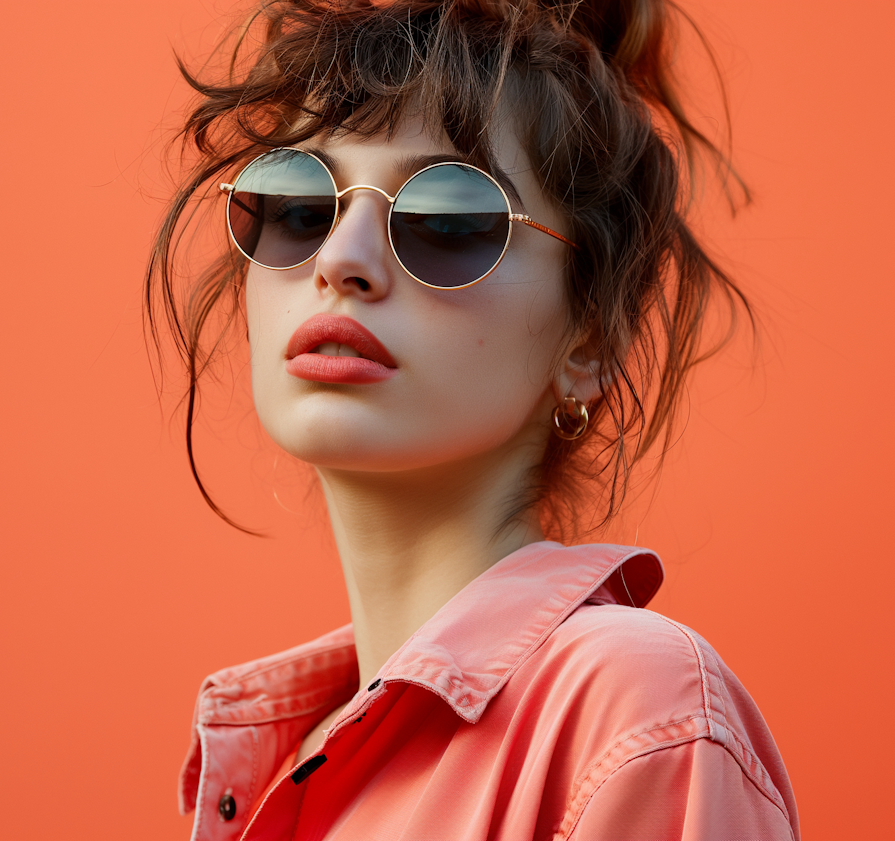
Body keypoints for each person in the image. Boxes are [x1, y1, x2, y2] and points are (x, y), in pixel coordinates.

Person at [145, 0, 799, 838]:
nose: (341, 261)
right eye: (301, 204)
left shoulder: (632, 709)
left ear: (590, 340)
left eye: (446, 219)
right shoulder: (279, 764)